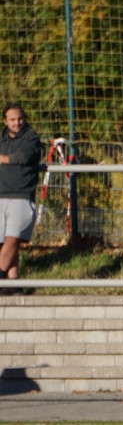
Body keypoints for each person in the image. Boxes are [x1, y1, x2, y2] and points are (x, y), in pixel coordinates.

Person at [0, 103, 42, 293]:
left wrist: (2, 159)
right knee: (4, 243)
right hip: (2, 195)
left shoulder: (31, 137)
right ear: (5, 121)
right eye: (12, 119)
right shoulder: (2, 139)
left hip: (21, 196)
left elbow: (23, 157)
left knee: (12, 241)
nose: (17, 123)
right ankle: (13, 284)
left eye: (20, 119)